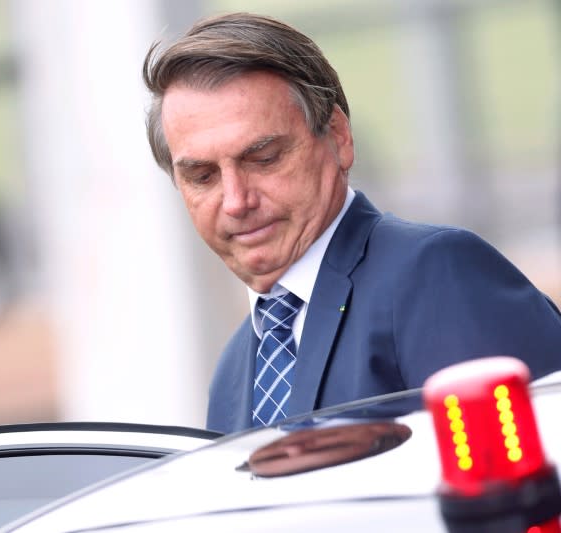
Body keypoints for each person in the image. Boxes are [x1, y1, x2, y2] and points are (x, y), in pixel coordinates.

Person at [141, 12, 561, 433]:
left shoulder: (436, 277)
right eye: (202, 177)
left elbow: (536, 477)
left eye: (264, 158)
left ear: (338, 137)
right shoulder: (234, 371)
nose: (235, 201)